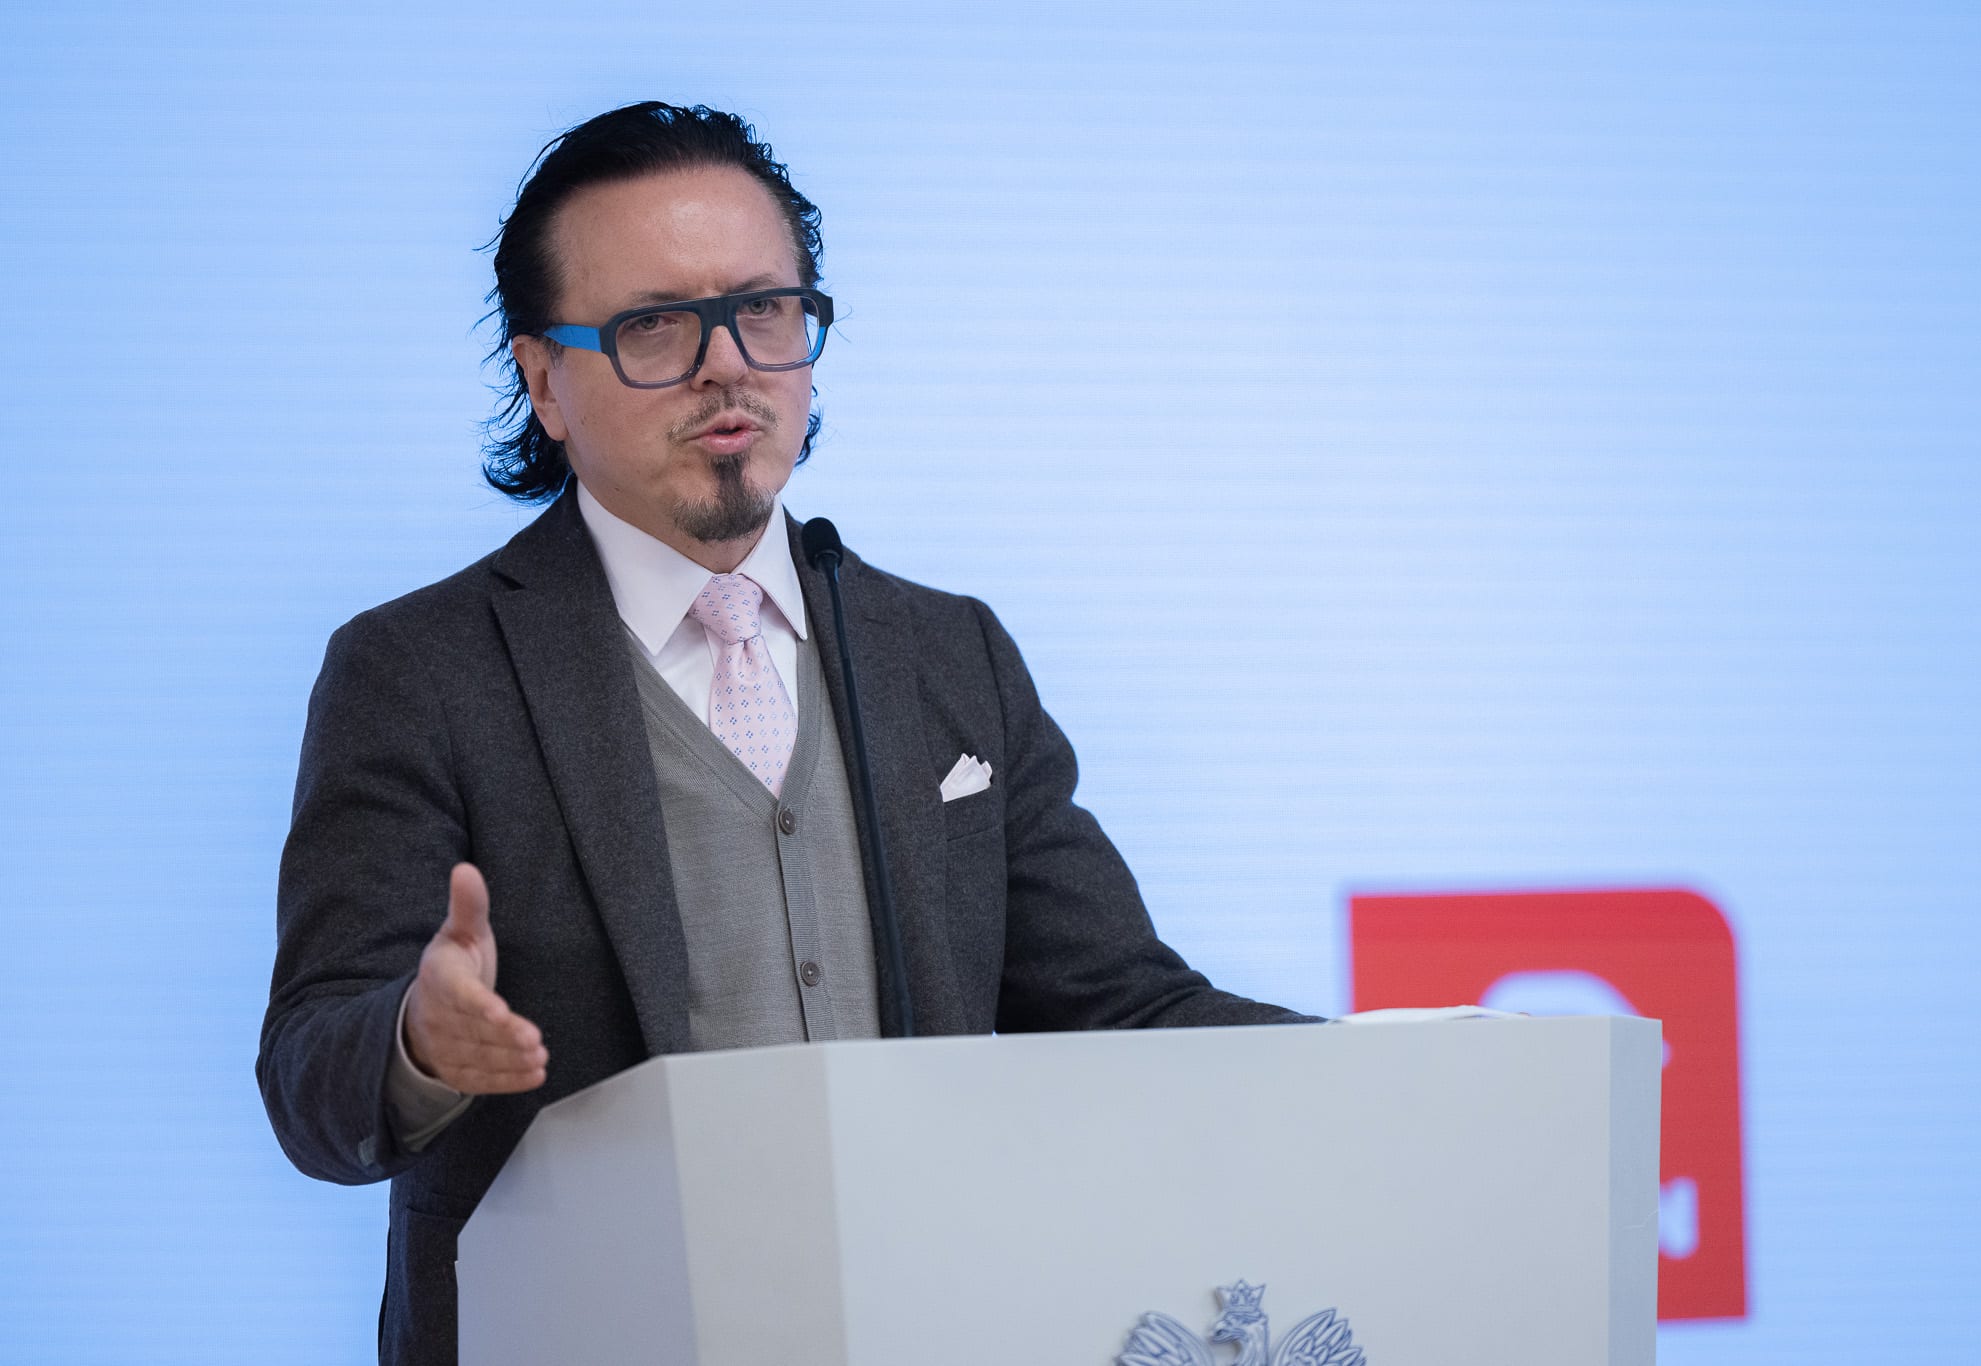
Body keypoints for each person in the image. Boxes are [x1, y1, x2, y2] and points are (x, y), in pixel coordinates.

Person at [256, 101, 1314, 1366]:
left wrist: (1406, 1075)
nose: (727, 364)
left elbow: (1117, 1007)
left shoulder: (948, 653)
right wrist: (420, 1042)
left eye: (763, 309)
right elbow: (311, 1075)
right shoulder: (419, 670)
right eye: (655, 325)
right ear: (543, 382)